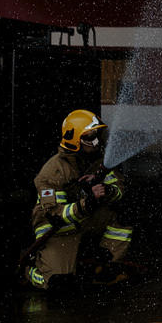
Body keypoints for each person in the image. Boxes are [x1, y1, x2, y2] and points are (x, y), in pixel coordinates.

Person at [22, 109, 133, 290]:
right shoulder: (52, 172)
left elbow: (120, 189)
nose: (96, 142)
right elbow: (56, 215)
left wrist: (108, 190)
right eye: (90, 137)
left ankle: (106, 264)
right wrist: (87, 203)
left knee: (126, 210)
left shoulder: (98, 162)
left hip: (84, 220)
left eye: (98, 136)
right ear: (73, 140)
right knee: (58, 284)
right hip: (57, 229)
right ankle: (29, 271)